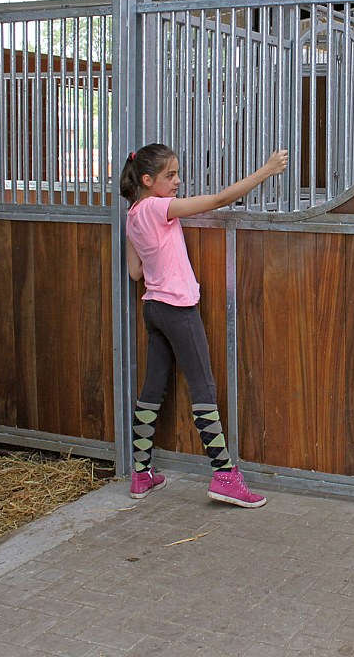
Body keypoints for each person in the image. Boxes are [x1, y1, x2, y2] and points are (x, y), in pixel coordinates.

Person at [119, 144, 288, 507]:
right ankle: (225, 476)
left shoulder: (132, 214)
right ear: (148, 180)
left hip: (154, 308)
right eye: (170, 176)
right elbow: (218, 200)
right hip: (178, 309)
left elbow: (135, 272)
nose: (178, 181)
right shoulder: (157, 207)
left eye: (178, 173)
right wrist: (266, 170)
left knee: (153, 388)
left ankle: (141, 473)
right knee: (204, 389)